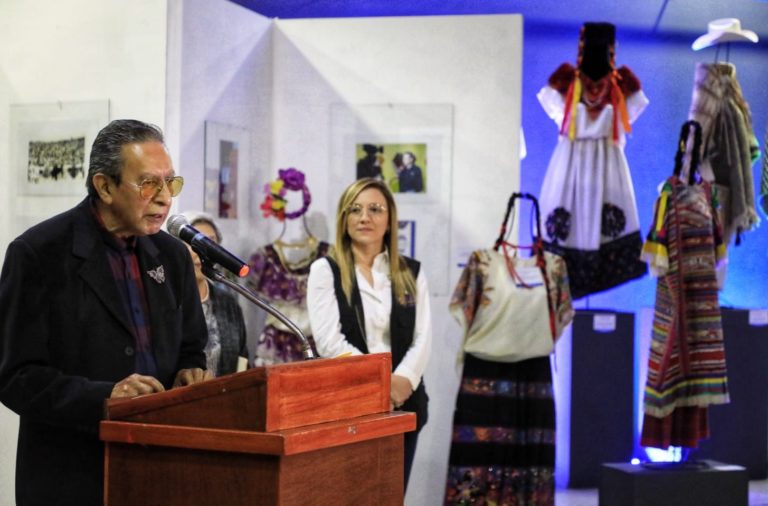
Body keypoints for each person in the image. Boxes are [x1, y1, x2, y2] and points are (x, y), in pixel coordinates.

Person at [0, 119, 211, 506]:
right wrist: (104, 397)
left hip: (160, 470)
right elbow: (16, 377)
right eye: (149, 184)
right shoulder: (38, 254)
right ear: (105, 186)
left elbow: (191, 346)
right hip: (73, 475)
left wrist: (190, 371)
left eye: (170, 183)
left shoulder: (173, 256)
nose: (165, 198)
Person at [306, 177, 431, 491]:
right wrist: (378, 384)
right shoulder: (325, 269)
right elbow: (329, 341)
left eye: (375, 209)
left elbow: (423, 337)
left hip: (404, 402)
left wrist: (401, 381)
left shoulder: (411, 271)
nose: (364, 217)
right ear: (344, 218)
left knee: (392, 494)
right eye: (355, 209)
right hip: (349, 405)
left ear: (389, 220)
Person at [181, 211, 249, 376]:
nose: (202, 253)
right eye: (193, 243)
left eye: (211, 243)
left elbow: (242, 358)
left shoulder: (228, 302)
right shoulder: (167, 300)